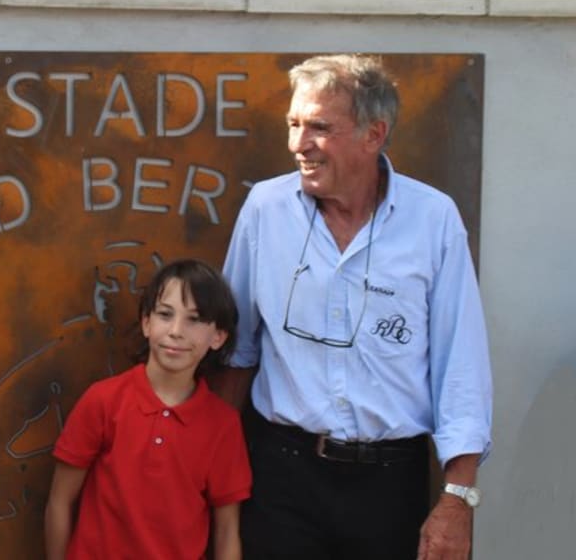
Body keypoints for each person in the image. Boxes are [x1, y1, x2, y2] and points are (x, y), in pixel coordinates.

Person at [218, 54, 493, 560]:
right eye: (293, 124)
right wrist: (213, 477)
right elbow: (237, 350)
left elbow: (461, 368)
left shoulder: (433, 219)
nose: (298, 144)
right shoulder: (264, 209)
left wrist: (458, 500)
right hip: (280, 474)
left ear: (374, 134)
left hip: (388, 485)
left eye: (319, 127)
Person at [44, 259, 251, 560]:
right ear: (146, 323)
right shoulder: (103, 400)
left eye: (194, 319)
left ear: (218, 336)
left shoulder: (223, 424)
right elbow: (60, 501)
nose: (176, 331)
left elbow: (227, 531)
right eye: (165, 315)